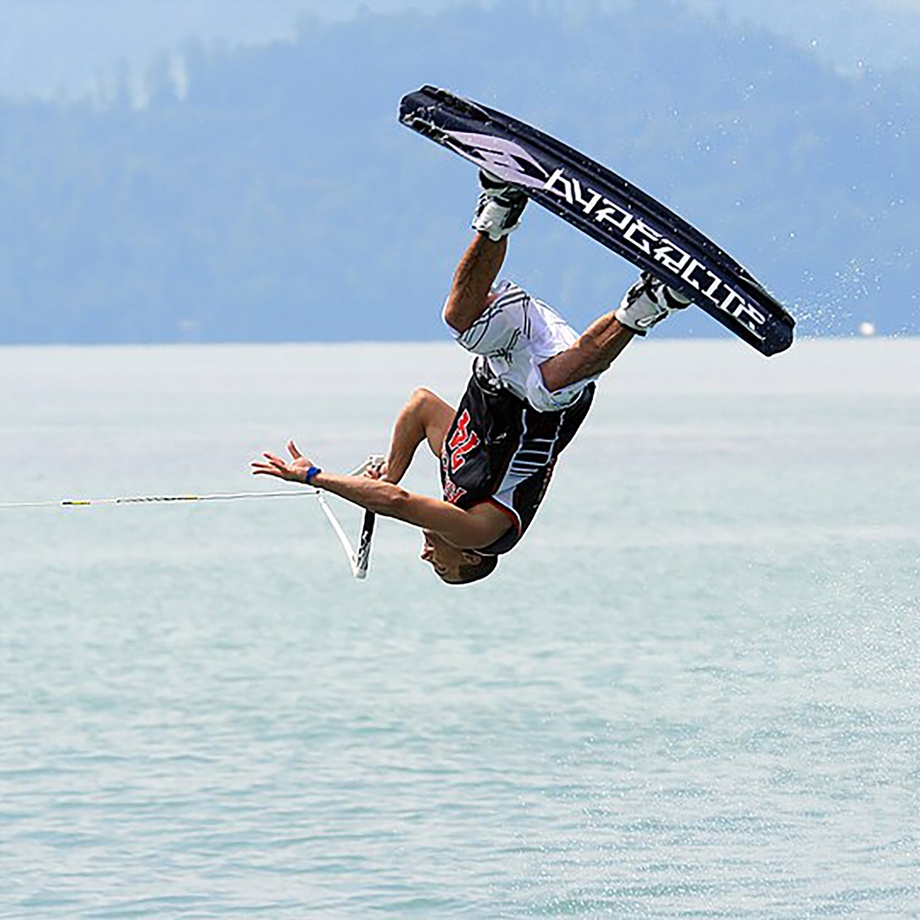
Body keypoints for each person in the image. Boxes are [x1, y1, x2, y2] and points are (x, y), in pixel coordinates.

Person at [251, 172, 689, 584]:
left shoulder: (456, 476)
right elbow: (399, 506)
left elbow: (420, 405)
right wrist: (313, 477)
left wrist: (392, 471)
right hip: (559, 383)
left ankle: (500, 207)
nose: (427, 557)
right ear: (469, 558)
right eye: (442, 569)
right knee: (545, 390)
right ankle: (652, 300)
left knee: (459, 320)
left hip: (507, 355)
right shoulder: (483, 534)